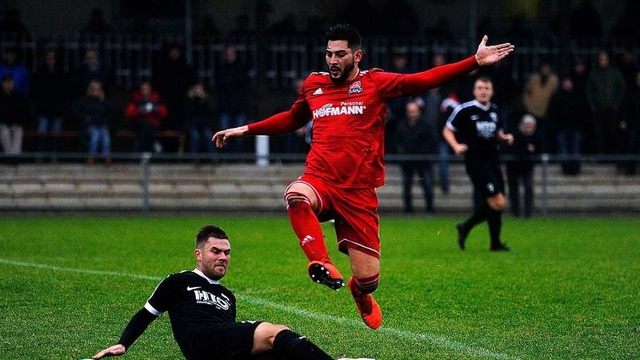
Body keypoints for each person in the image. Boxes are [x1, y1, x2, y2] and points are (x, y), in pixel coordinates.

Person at [213, 24, 514, 329]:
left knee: (369, 279)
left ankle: (360, 291)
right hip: (321, 180)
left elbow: (423, 80)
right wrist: (247, 129)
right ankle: (321, 260)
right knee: (296, 195)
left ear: (357, 56)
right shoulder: (314, 85)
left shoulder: (376, 83)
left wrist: (473, 62)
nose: (332, 59)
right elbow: (293, 118)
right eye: (328, 53)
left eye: (340, 54)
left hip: (358, 192)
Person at [93, 225, 377, 360]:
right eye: (215, 251)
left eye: (227, 253)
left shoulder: (228, 296)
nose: (223, 257)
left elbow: (232, 332)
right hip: (201, 340)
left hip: (213, 355)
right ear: (198, 254)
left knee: (286, 354)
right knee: (273, 332)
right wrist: (123, 343)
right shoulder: (179, 281)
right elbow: (147, 314)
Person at [443, 76, 514, 251]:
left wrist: (505, 137)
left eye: (487, 88)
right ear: (474, 91)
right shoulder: (465, 110)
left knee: (498, 202)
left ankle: (472, 230)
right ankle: (492, 241)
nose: (483, 91)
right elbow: (447, 130)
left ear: (492, 91)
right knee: (496, 201)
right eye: (480, 88)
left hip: (493, 160)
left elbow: (497, 132)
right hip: (476, 161)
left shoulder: (496, 110)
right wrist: (456, 145)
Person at [394, 100, 436, 214]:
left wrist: (422, 152)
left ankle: (430, 208)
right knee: (407, 184)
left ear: (419, 112)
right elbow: (398, 141)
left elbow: (431, 140)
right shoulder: (402, 125)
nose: (412, 114)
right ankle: (408, 209)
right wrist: (403, 152)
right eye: (410, 112)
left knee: (427, 184)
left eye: (414, 111)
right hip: (407, 160)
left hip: (423, 159)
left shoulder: (426, 124)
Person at [30, 50, 70, 157]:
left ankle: (54, 155)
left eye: (52, 59)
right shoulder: (39, 73)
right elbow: (35, 92)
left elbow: (65, 93)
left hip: (57, 110)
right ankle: (40, 155)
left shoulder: (61, 73)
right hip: (43, 110)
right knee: (41, 133)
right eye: (48, 58)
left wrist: (63, 108)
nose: (50, 61)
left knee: (55, 135)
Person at [586, 50, 625, 156]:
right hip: (598, 109)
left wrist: (616, 103)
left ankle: (612, 155)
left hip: (611, 108)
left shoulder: (614, 73)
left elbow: (621, 89)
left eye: (605, 59)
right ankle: (601, 154)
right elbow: (589, 90)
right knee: (599, 133)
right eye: (601, 59)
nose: (603, 61)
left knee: (612, 132)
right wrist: (592, 105)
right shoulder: (594, 74)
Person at [547, 75, 587, 175]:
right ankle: (566, 169)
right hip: (561, 128)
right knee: (563, 149)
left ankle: (575, 169)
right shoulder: (557, 96)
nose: (567, 84)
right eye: (566, 82)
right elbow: (553, 113)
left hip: (575, 127)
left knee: (575, 149)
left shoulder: (577, 96)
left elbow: (582, 112)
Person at [214, 46, 250, 155]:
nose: (230, 57)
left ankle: (237, 155)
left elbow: (244, 85)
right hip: (225, 105)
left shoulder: (241, 69)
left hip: (239, 105)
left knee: (239, 133)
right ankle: (225, 155)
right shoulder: (221, 69)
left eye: (231, 54)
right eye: (228, 55)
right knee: (224, 132)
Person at [504, 114, 539, 217]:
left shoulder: (536, 136)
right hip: (513, 167)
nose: (529, 128)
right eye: (527, 125)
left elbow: (539, 149)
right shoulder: (515, 134)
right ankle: (515, 213)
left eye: (530, 126)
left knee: (528, 189)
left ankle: (528, 213)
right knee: (514, 190)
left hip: (527, 167)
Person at [73, 80, 113, 165]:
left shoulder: (104, 101)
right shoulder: (85, 100)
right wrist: (86, 118)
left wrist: (105, 120)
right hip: (90, 125)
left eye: (98, 89)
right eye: (94, 89)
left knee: (106, 138)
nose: (96, 91)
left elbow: (109, 113)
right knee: (95, 137)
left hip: (102, 124)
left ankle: (106, 157)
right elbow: (78, 112)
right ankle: (91, 157)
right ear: (90, 90)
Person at [124, 81, 168, 153]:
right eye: (144, 89)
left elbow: (164, 112)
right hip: (138, 124)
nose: (145, 91)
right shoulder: (136, 99)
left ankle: (142, 153)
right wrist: (140, 111)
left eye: (147, 89)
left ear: (150, 90)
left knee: (147, 129)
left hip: (153, 124)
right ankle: (153, 144)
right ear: (140, 90)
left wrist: (155, 109)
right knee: (145, 129)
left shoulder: (156, 98)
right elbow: (129, 113)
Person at [0, 75, 31, 154]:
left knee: (18, 130)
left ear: (13, 84)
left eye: (10, 83)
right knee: (4, 131)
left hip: (16, 124)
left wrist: (18, 122)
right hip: (3, 124)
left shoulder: (19, 97)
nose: (8, 86)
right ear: (2, 84)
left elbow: (24, 112)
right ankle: (10, 155)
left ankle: (15, 156)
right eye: (6, 83)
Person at [185, 83, 214, 155]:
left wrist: (204, 101)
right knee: (195, 137)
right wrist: (196, 100)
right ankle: (195, 158)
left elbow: (210, 111)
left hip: (205, 124)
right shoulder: (190, 100)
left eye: (200, 89)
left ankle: (214, 157)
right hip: (193, 124)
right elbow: (189, 113)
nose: (199, 91)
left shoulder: (206, 100)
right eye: (197, 89)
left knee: (209, 136)